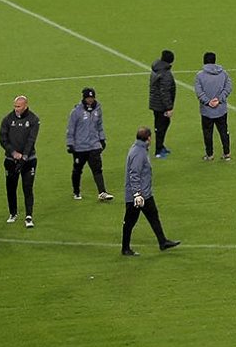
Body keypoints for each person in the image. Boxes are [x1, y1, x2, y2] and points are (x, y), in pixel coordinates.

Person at [121, 127, 180, 256]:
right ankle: (125, 248)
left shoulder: (140, 149)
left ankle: (163, 242)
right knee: (130, 221)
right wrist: (137, 194)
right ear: (148, 138)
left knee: (153, 216)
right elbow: (134, 174)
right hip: (137, 196)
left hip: (145, 194)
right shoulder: (138, 153)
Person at [0, 94, 41, 228]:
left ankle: (29, 216)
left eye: (18, 106)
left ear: (25, 106)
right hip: (11, 160)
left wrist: (24, 156)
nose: (16, 109)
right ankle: (13, 213)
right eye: (15, 106)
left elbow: (31, 140)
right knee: (11, 188)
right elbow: (2, 138)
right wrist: (13, 152)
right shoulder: (7, 119)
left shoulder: (33, 119)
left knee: (27, 188)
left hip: (29, 160)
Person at [68, 86, 114, 201]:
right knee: (77, 170)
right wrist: (70, 144)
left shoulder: (97, 109)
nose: (90, 100)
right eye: (88, 98)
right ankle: (76, 191)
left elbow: (99, 126)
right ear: (84, 98)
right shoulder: (76, 112)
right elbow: (71, 128)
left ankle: (102, 192)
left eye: (92, 97)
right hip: (80, 147)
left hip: (94, 145)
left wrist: (102, 139)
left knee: (97, 169)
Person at [194, 51, 232, 161]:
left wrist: (208, 102)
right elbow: (228, 88)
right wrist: (219, 100)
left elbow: (199, 92)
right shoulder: (224, 74)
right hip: (221, 110)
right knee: (224, 131)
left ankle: (209, 155)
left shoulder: (199, 76)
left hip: (207, 111)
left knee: (207, 133)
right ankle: (227, 153)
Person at [148, 49, 176, 157]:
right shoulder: (165, 73)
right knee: (162, 125)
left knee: (160, 124)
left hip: (155, 102)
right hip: (161, 105)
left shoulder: (156, 69)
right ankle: (159, 150)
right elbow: (165, 91)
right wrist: (169, 107)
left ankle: (160, 146)